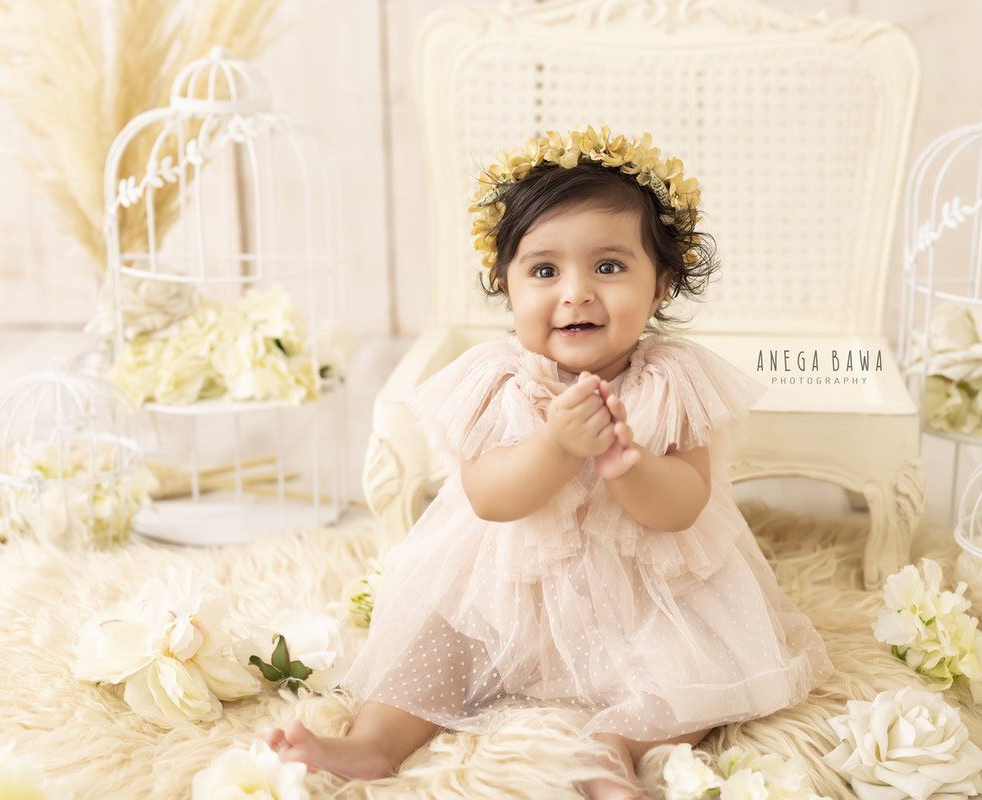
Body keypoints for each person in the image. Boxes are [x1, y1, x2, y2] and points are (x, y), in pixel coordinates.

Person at [265, 126, 833, 800]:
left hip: (649, 596)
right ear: (506, 286)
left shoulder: (672, 381)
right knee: (435, 647)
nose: (576, 293)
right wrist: (557, 448)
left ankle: (612, 748)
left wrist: (631, 466)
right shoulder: (499, 380)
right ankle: (371, 743)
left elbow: (683, 506)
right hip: (506, 593)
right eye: (544, 270)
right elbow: (489, 497)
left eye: (610, 267)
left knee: (690, 673)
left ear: (662, 287)